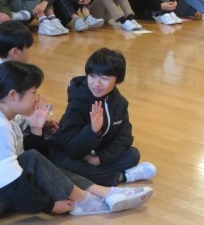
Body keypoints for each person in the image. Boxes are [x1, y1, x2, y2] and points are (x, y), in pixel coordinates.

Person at [0, 61, 153, 225]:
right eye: (33, 92)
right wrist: (49, 205)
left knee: (36, 160)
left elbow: (34, 164)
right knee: (32, 160)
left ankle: (103, 192)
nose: (37, 98)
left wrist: (36, 129)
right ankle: (87, 201)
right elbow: (13, 184)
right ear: (13, 95)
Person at [49, 48, 156, 186]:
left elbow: (125, 137)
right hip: (70, 153)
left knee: (132, 155)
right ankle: (122, 177)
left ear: (118, 81)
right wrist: (92, 131)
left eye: (104, 78)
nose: (97, 83)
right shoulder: (78, 103)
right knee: (64, 165)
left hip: (97, 153)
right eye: (92, 76)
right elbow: (71, 149)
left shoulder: (120, 103)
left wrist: (100, 158)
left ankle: (95, 175)